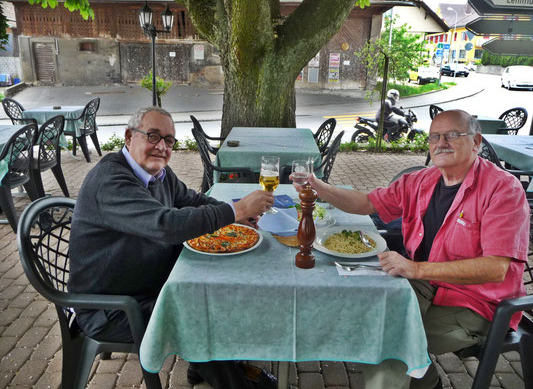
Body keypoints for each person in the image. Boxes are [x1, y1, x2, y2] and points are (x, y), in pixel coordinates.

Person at [296, 110, 530, 389]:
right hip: (424, 284)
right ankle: (428, 384)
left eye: (452, 135)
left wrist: (415, 268)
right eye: (434, 136)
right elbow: (366, 203)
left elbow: (495, 268)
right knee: (362, 311)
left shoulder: (503, 189)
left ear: (476, 142)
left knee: (387, 334)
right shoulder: (422, 180)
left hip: (477, 305)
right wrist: (319, 186)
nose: (441, 142)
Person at [68, 106, 276, 389]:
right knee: (196, 311)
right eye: (152, 136)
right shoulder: (110, 180)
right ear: (129, 137)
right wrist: (235, 210)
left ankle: (206, 369)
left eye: (169, 140)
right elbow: (166, 225)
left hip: (150, 283)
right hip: (113, 307)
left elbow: (191, 200)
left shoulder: (158, 173)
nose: (161, 147)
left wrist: (239, 215)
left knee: (217, 292)